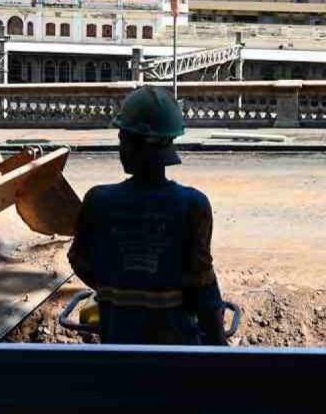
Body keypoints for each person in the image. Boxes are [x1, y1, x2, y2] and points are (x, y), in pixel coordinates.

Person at [68, 86, 227, 345]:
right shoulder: (193, 205)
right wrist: (222, 354)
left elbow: (79, 260)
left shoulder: (99, 202)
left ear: (130, 143)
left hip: (118, 347)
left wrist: (120, 289)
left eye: (122, 139)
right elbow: (204, 291)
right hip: (177, 353)